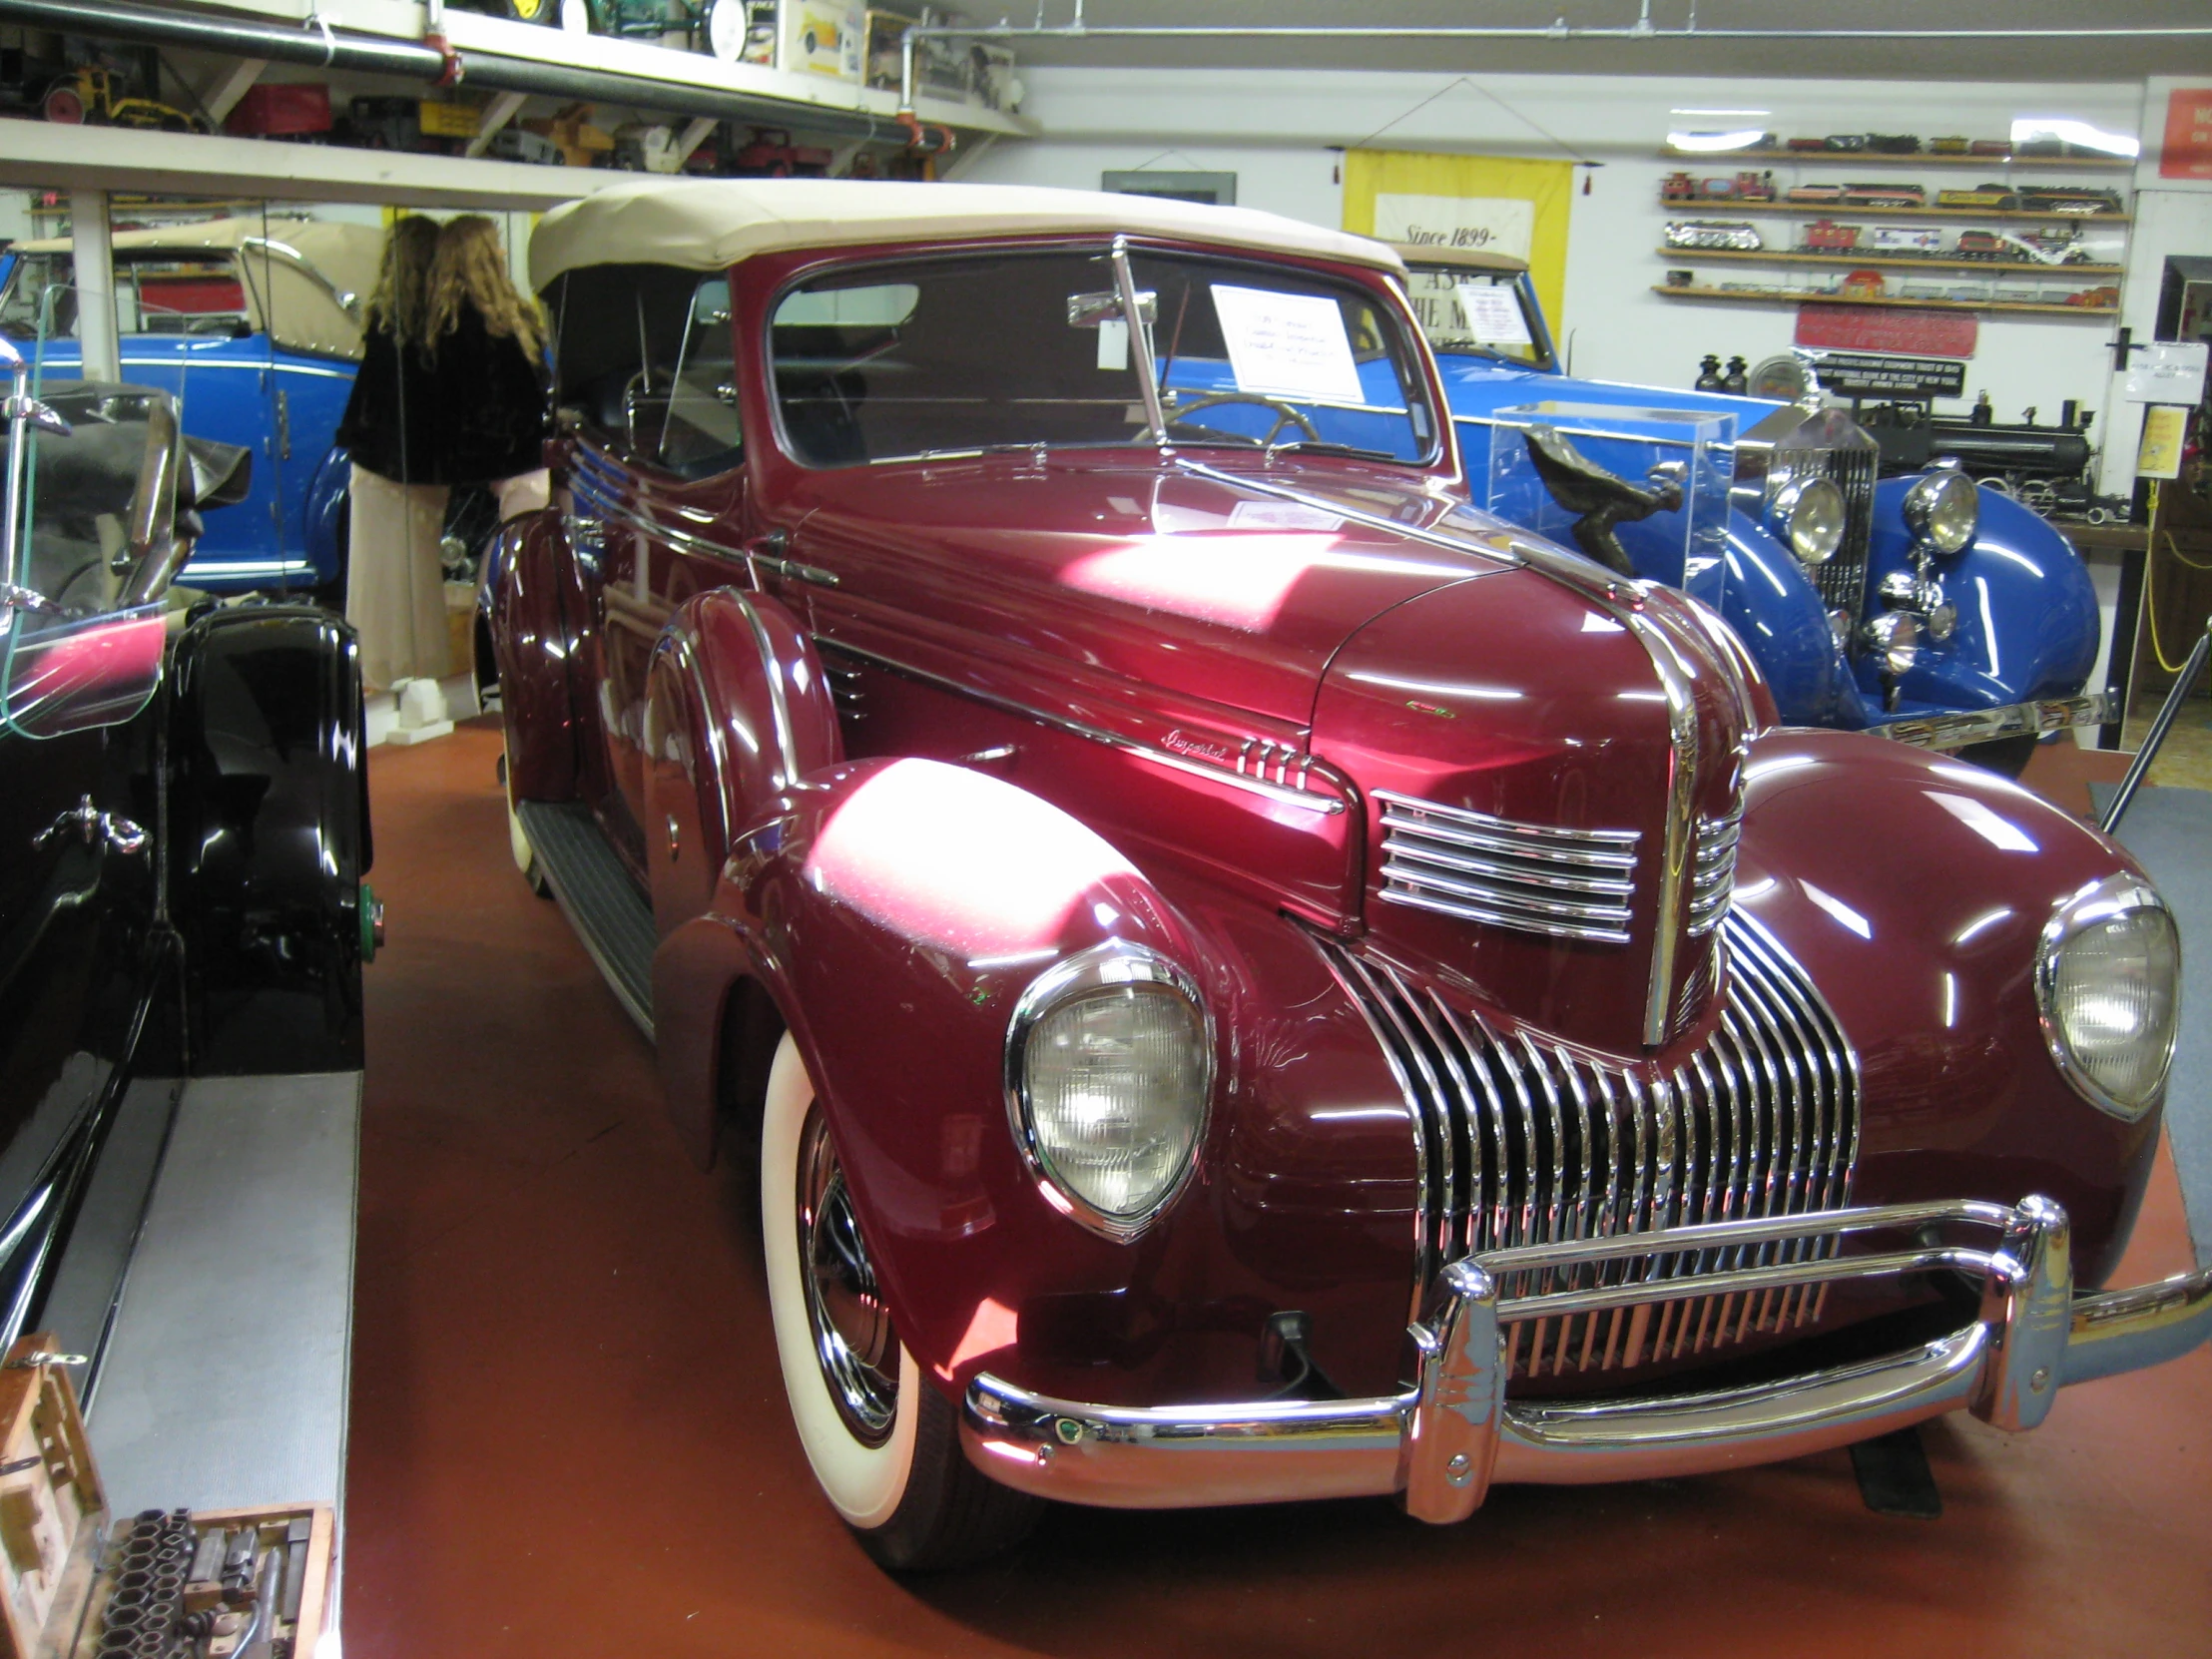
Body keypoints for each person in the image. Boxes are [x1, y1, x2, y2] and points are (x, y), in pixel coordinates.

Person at [335, 215, 551, 693]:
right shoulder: (496, 323)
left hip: (391, 466)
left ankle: (398, 673)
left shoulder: (402, 324)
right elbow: (509, 407)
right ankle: (499, 655)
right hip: (514, 465)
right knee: (519, 558)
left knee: (389, 580)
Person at [335, 215, 443, 694]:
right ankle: (423, 669)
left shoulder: (384, 322)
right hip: (427, 468)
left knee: (376, 580)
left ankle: (380, 672)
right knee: (419, 578)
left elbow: (368, 407)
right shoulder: (442, 327)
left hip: (379, 469)